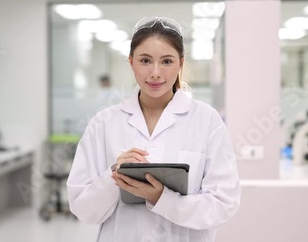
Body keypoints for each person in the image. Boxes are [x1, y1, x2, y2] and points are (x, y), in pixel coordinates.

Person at [66, 17, 240, 242]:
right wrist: (114, 176)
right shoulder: (103, 123)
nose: (155, 72)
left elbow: (223, 204)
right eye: (145, 60)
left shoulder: (207, 120)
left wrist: (163, 199)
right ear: (131, 62)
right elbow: (83, 209)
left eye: (166, 61)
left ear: (181, 64)